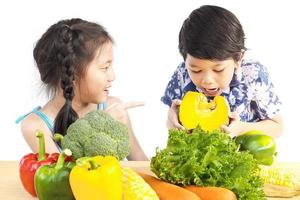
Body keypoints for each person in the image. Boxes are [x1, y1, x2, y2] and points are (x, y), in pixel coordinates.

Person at [16, 18, 148, 160]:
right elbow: (64, 178)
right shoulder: (36, 126)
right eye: (105, 68)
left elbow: (141, 162)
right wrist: (101, 129)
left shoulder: (113, 107)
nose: (112, 76)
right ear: (73, 73)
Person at [161, 5, 283, 138]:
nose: (207, 80)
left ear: (239, 58)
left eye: (218, 69)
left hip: (244, 155)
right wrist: (171, 122)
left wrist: (242, 128)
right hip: (199, 157)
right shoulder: (181, 74)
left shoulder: (253, 74)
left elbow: (278, 126)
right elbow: (174, 123)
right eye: (196, 70)